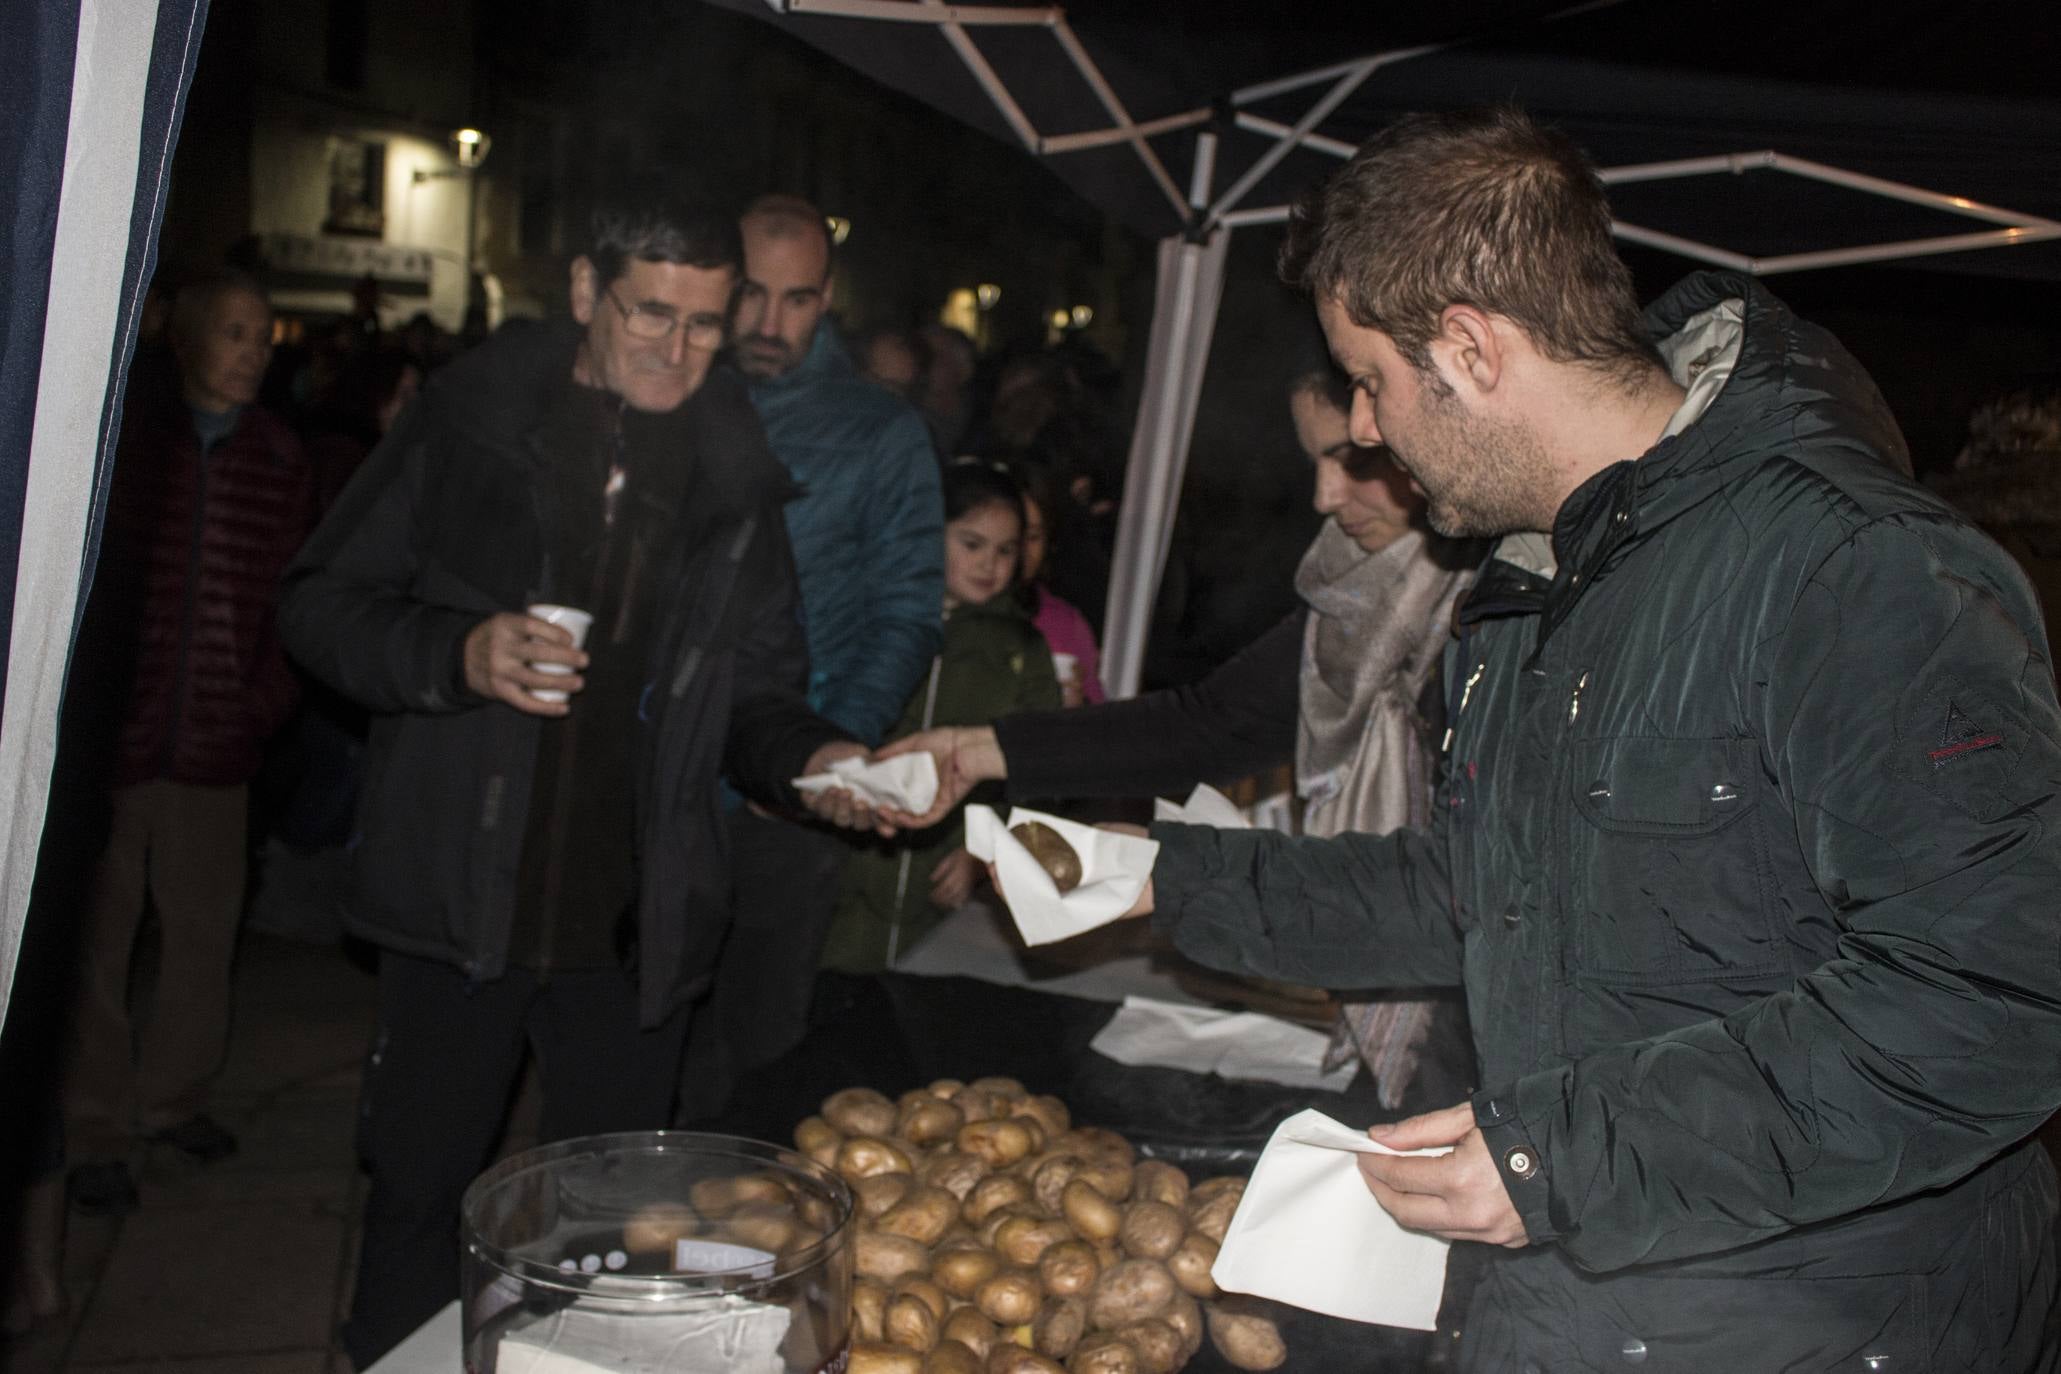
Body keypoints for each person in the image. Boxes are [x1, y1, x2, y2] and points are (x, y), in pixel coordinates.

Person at [887, 108, 2061, 1370]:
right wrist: (1170, 881)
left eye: (1373, 381)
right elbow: (1477, 895)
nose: (1368, 429)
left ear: (1471, 349)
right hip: (1570, 1314)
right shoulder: (1534, 584)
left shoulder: (1857, 571)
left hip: (1823, 1329)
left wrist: (1565, 1154)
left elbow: (1999, 995)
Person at [278, 191, 875, 1369]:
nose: (679, 349)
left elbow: (758, 691)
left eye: (706, 325)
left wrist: (812, 758)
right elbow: (318, 606)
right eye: (652, 313)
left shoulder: (733, 479)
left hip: (630, 919)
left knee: (613, 1230)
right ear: (587, 296)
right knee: (421, 1194)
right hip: (455, 900)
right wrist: (456, 653)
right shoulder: (474, 427)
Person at [672, 194, 943, 1122]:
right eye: (750, 293)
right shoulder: (670, 393)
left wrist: (822, 754)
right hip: (653, 779)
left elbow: (908, 610)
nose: (767, 322)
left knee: (757, 1049)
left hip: (782, 798)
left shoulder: (878, 430)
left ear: (826, 297)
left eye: (795, 299)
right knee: (636, 1034)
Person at [60, 270, 313, 1216]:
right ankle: (92, 1127)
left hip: (217, 745)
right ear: (190, 339)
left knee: (203, 940)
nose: (254, 351)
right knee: (97, 944)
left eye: (264, 336)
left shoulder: (281, 460)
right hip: (114, 753)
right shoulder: (127, 449)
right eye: (237, 332)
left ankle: (173, 1103)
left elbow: (298, 605)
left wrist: (259, 704)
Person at [821, 462, 1059, 972]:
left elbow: (1040, 775)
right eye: (971, 544)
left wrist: (985, 849)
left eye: (1005, 551)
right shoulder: (875, 622)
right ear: (930, 536)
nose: (989, 564)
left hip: (945, 878)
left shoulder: (1021, 646)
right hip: (848, 865)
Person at [1014, 463, 1104, 706]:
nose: (1021, 551)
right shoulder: (948, 614)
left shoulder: (1065, 623)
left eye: (1033, 537)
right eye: (1012, 536)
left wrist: (1077, 706)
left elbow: (1099, 725)